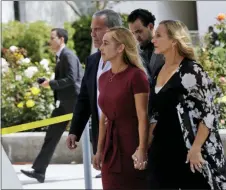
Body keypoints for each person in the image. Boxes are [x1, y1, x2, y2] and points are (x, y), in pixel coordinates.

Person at [145, 20, 226, 189]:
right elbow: (155, 114)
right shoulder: (159, 70)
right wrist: (145, 147)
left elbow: (208, 113)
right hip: (161, 148)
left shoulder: (191, 70)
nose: (153, 40)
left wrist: (196, 149)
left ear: (174, 41)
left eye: (158, 36)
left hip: (187, 149)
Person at [21, 28, 83, 183]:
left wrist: (51, 83)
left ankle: (105, 167)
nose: (49, 41)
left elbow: (72, 79)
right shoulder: (61, 56)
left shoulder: (68, 55)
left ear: (61, 39)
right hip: (65, 104)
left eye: (52, 37)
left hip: (75, 103)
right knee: (52, 134)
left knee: (93, 134)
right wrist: (49, 82)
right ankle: (39, 171)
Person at [66, 9, 122, 178]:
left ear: (113, 30)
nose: (93, 34)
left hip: (126, 136)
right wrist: (74, 130)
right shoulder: (92, 60)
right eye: (92, 29)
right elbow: (84, 98)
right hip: (101, 137)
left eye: (97, 29)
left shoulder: (131, 60)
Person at [93, 27, 149, 190]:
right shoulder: (103, 78)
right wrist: (99, 150)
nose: (101, 48)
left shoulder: (137, 76)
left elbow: (143, 116)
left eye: (105, 43)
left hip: (131, 147)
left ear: (120, 48)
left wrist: (142, 149)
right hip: (110, 149)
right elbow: (104, 118)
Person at [127, 9, 164, 79]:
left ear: (150, 26)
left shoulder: (166, 47)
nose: (136, 37)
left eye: (139, 31)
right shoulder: (132, 52)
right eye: (133, 33)